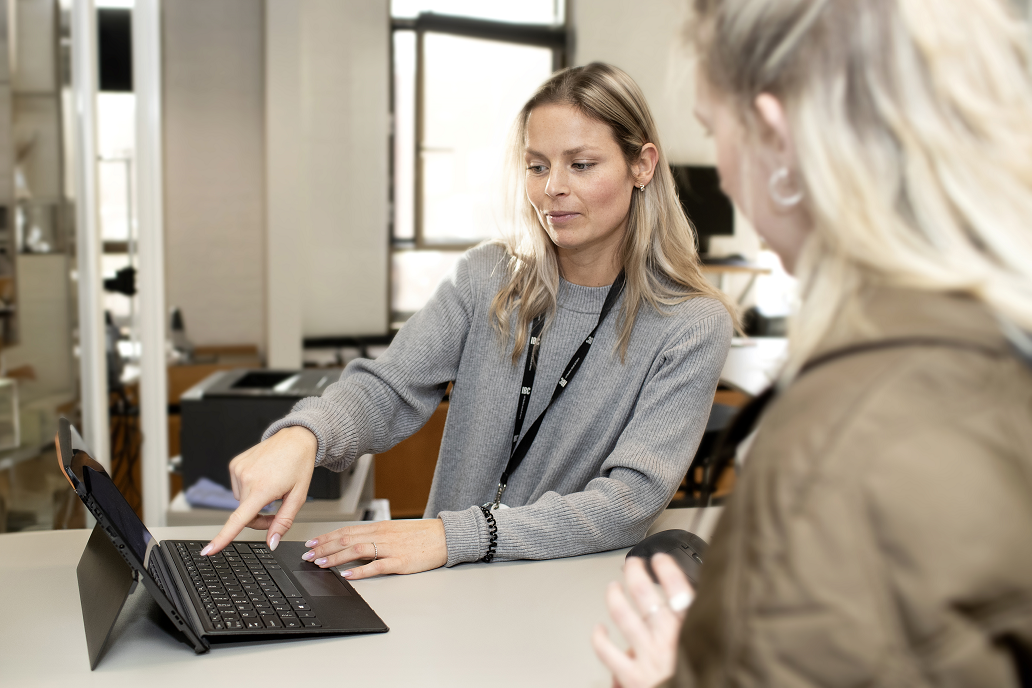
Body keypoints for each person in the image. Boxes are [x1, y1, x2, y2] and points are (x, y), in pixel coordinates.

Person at [593, 0, 1032, 685]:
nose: (728, 180)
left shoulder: (841, 445)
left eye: (716, 134)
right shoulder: (994, 347)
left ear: (779, 140)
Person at [200, 63, 736, 579]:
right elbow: (389, 387)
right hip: (447, 586)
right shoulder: (488, 277)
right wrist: (304, 435)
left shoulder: (691, 324)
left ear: (641, 166)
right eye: (537, 165)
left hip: (558, 594)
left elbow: (629, 503)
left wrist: (453, 537)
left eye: (581, 164)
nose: (553, 188)